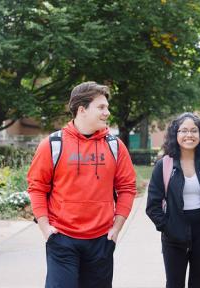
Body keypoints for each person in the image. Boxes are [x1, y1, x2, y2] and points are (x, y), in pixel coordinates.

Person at [27, 81, 137, 288]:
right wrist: (45, 229)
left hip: (101, 240)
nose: (107, 112)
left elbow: (127, 188)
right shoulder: (52, 145)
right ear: (82, 110)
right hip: (62, 238)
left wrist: (116, 228)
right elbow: (37, 187)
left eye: (107, 107)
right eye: (101, 107)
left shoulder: (115, 146)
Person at [146, 112, 200, 288]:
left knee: (198, 282)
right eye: (183, 130)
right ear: (175, 134)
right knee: (174, 283)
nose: (189, 135)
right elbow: (152, 206)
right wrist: (168, 227)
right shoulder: (164, 165)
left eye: (194, 130)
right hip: (173, 234)